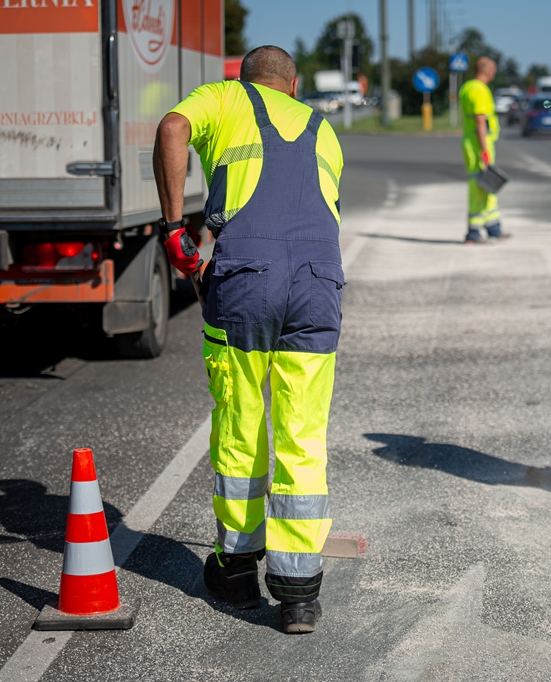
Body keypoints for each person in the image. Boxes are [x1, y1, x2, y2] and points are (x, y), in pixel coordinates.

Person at [153, 46, 344, 632]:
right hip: (318, 283)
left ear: (245, 77)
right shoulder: (324, 127)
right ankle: (299, 595)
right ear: (293, 84)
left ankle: (236, 572)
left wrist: (172, 228)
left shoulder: (225, 98)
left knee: (240, 424)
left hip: (247, 279)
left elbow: (172, 128)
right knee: (303, 434)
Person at [459, 56, 509, 243]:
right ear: (487, 71)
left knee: (488, 185)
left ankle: (493, 228)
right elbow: (481, 120)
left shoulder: (467, 87)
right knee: (479, 187)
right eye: (493, 71)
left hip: (473, 144)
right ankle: (473, 232)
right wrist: (484, 149)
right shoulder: (480, 90)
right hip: (479, 145)